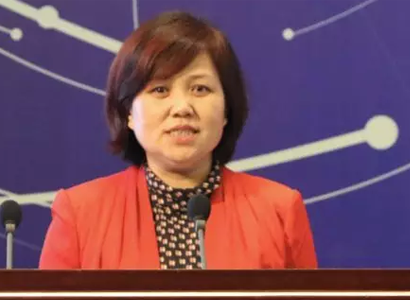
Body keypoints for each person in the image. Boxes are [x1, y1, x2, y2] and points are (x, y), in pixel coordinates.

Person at [39, 11, 317, 270]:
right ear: (128, 113)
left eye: (200, 89)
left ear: (226, 110)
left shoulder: (279, 210)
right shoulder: (80, 214)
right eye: (160, 89)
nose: (182, 107)